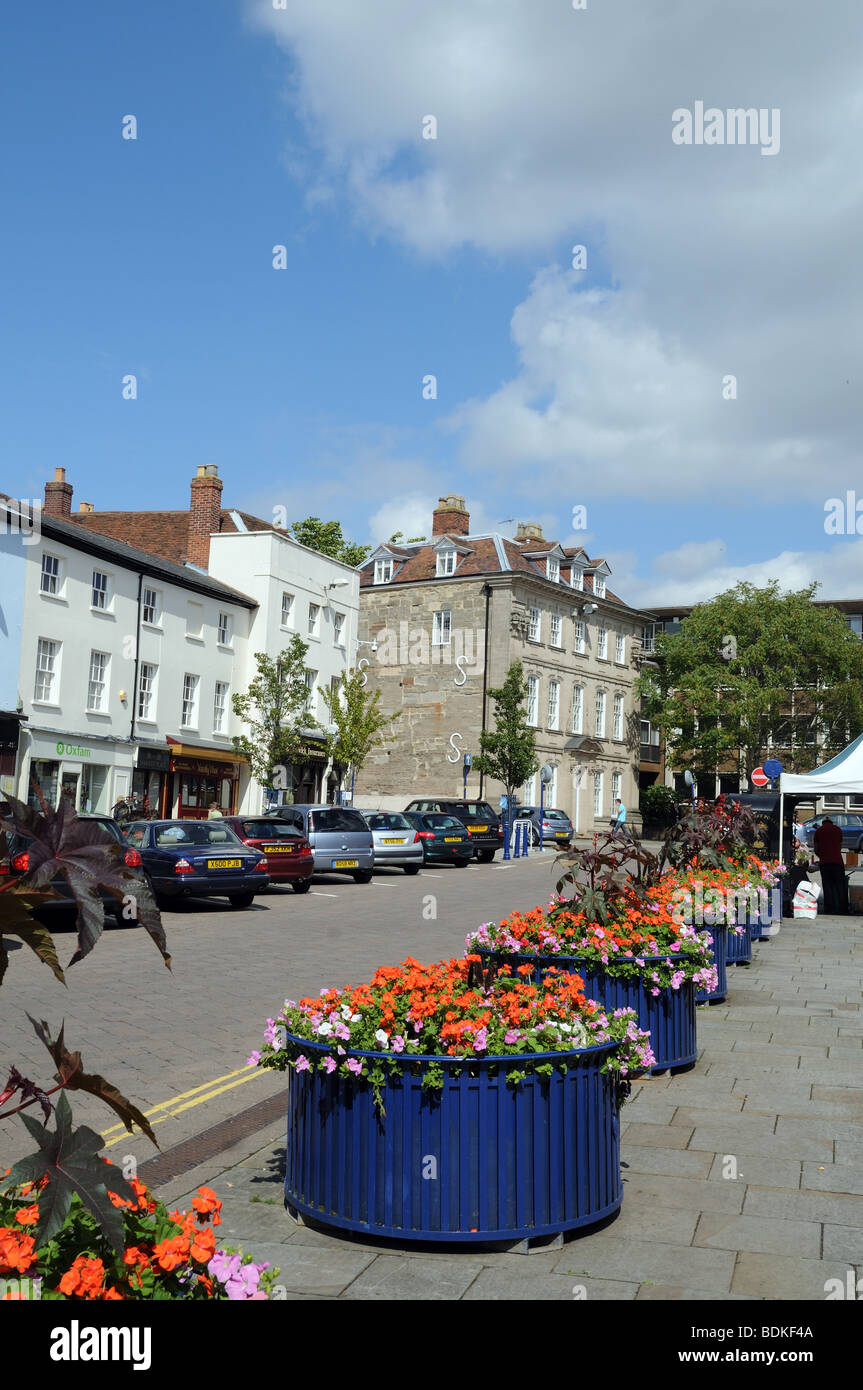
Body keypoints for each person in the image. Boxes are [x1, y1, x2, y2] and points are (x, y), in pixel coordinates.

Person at [813, 816, 848, 915]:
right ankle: (843, 908)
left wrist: (822, 856)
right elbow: (840, 846)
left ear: (823, 822)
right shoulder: (838, 829)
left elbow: (816, 848)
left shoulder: (819, 830)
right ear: (831, 822)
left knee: (827, 886)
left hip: (825, 863)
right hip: (838, 862)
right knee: (840, 886)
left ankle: (829, 909)